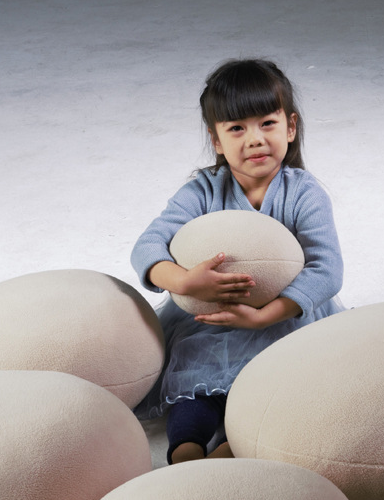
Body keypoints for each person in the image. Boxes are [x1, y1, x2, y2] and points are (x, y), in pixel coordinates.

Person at [131, 58, 344, 464]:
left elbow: (327, 268)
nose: (255, 139)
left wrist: (265, 316)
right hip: (212, 322)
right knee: (196, 377)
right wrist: (182, 282)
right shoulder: (203, 192)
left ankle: (234, 447)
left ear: (290, 128)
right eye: (237, 129)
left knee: (280, 384)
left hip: (284, 319)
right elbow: (148, 244)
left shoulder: (304, 194)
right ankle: (186, 448)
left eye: (267, 123)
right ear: (216, 140)